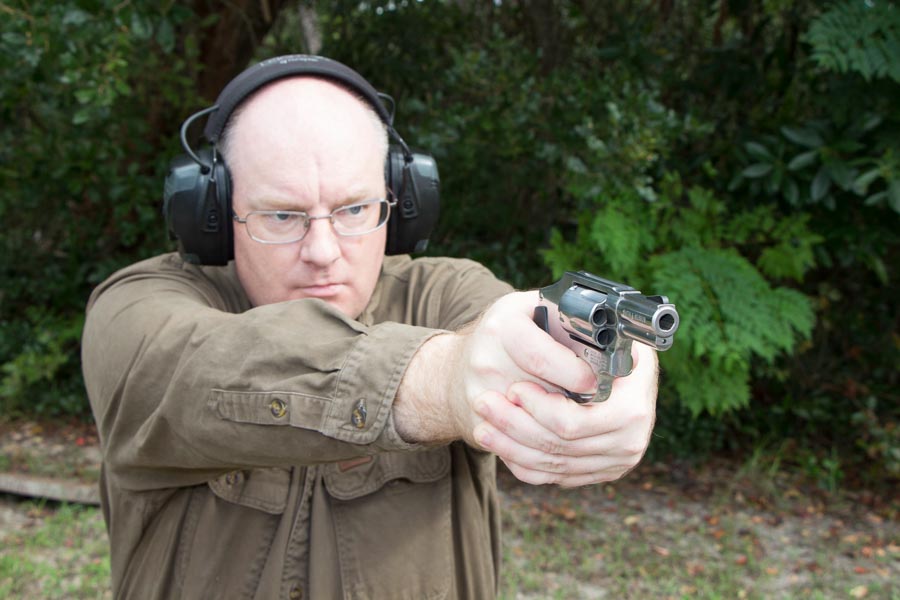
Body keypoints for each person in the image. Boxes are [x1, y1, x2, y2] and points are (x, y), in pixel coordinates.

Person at [82, 55, 658, 600]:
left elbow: (523, 327)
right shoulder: (136, 308)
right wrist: (444, 379)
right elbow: (191, 366)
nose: (323, 251)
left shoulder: (446, 292)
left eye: (355, 210)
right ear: (211, 213)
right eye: (282, 215)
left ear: (401, 203)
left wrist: (614, 367)